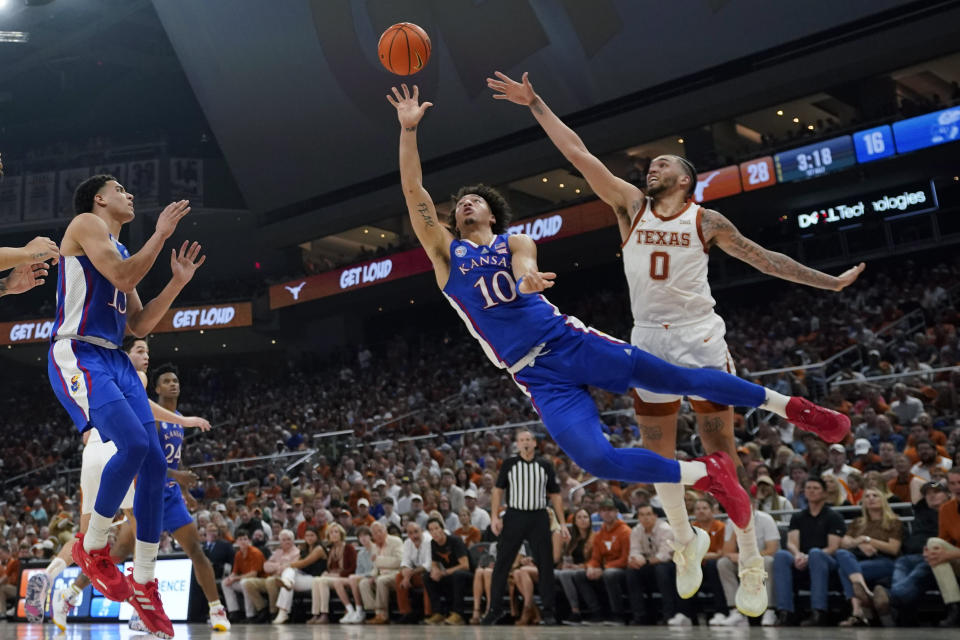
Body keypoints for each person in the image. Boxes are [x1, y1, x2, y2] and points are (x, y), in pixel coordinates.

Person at [387, 82, 848, 612]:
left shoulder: (514, 241)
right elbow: (413, 192)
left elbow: (524, 262)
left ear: (492, 214)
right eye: (458, 202)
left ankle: (793, 407)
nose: (464, 202)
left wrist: (531, 278)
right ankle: (706, 477)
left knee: (680, 379)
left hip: (570, 340)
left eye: (475, 200)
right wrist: (408, 131)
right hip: (534, 374)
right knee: (595, 457)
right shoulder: (444, 252)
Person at [45, 174, 202, 639]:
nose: (129, 194)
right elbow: (121, 275)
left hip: (113, 356)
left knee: (153, 462)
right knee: (133, 444)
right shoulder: (86, 224)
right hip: (78, 351)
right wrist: (159, 234)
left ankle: (146, 583)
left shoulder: (118, 247)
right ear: (99, 198)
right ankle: (90, 549)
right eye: (120, 190)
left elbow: (138, 323)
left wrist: (176, 283)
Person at [33, 337, 211, 631]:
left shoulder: (93, 371)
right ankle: (141, 598)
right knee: (136, 526)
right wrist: (186, 420)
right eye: (140, 350)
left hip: (92, 453)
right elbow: (147, 408)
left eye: (148, 351)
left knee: (89, 538)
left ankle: (54, 578)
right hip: (119, 450)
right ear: (124, 354)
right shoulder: (132, 375)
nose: (146, 357)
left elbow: (87, 423)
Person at [130, 363, 229, 631]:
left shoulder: (179, 419)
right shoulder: (151, 417)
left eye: (176, 380)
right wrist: (178, 477)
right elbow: (145, 460)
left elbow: (176, 457)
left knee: (196, 551)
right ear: (157, 388)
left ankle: (217, 610)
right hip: (147, 493)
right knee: (137, 557)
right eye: (167, 381)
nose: (174, 384)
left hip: (171, 495)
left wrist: (184, 490)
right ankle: (140, 612)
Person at [481, 428, 566, 625]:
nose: (526, 442)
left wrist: (562, 523)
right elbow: (497, 490)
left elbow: (555, 495)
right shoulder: (509, 464)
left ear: (535, 443)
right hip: (514, 515)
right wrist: (494, 516)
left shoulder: (545, 465)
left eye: (529, 439)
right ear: (517, 444)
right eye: (522, 440)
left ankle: (548, 611)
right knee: (503, 562)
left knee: (545, 564)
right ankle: (494, 609)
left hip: (538, 516)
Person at [772, 477, 847, 626]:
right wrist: (798, 555)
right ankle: (785, 612)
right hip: (804, 558)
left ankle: (818, 611)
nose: (811, 491)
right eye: (808, 488)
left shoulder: (834, 517)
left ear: (824, 493)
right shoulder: (798, 517)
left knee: (815, 553)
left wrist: (810, 556)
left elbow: (833, 547)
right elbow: (791, 543)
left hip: (826, 560)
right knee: (781, 555)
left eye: (816, 488)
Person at [834, 488, 903, 626]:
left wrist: (867, 539)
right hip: (859, 561)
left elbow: (893, 549)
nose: (871, 498)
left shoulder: (893, 521)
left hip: (885, 561)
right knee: (841, 554)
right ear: (863, 502)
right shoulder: (857, 522)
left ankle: (858, 610)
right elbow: (844, 543)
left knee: (844, 570)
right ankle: (863, 592)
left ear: (882, 500)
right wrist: (858, 544)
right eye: (867, 496)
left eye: (875, 495)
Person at [712, 507, 781, 627]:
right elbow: (727, 551)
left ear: (753, 506)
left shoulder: (766, 519)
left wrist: (747, 557)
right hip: (743, 562)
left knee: (769, 562)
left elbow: (772, 549)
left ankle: (769, 610)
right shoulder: (731, 522)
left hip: (761, 559)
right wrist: (736, 529)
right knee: (723, 563)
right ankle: (736, 611)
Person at [624, 504, 674, 625]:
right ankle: (640, 615)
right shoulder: (636, 530)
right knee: (631, 571)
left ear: (655, 516)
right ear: (638, 517)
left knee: (661, 570)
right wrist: (636, 560)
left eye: (648, 514)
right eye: (642, 515)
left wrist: (644, 561)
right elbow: (634, 551)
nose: (645, 518)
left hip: (669, 565)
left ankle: (669, 614)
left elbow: (665, 555)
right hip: (649, 564)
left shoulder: (665, 529)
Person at [243, 528, 300, 623]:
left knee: (270, 581)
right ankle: (262, 608)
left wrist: (276, 566)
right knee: (248, 583)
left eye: (289, 539)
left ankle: (273, 611)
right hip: (272, 577)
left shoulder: (297, 552)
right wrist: (280, 565)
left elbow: (291, 568)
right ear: (280, 542)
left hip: (283, 581)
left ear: (293, 540)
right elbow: (266, 566)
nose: (286, 542)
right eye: (284, 540)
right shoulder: (278, 552)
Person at [272, 526, 326, 624]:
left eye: (312, 535)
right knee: (288, 575)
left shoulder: (319, 549)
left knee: (288, 576)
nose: (309, 538)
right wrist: (287, 566)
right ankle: (287, 583)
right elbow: (297, 564)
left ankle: (283, 612)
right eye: (307, 536)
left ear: (317, 537)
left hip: (316, 580)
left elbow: (305, 562)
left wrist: (286, 565)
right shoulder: (304, 549)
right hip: (304, 577)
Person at [423, 517, 472, 625]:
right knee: (427, 577)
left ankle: (458, 614)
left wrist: (443, 573)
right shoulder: (433, 543)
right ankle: (438, 613)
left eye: (436, 528)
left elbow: (465, 565)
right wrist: (435, 571)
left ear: (442, 529)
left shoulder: (455, 541)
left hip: (467, 575)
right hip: (450, 574)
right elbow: (434, 563)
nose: (434, 532)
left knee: (457, 575)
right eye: (431, 530)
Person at [357, 521, 404, 625]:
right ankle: (375, 611)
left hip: (395, 573)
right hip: (381, 574)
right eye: (374, 532)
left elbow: (399, 561)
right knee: (364, 582)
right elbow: (375, 567)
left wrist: (379, 560)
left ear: (385, 531)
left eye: (380, 531)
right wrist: (372, 575)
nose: (378, 534)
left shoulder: (396, 541)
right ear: (372, 535)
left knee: (381, 581)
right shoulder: (374, 546)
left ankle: (383, 615)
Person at [309, 523, 357, 623]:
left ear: (341, 534)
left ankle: (324, 614)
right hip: (333, 577)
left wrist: (338, 574)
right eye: (331, 532)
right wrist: (327, 572)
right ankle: (315, 614)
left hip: (345, 577)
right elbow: (330, 568)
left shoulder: (349, 548)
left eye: (336, 532)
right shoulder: (331, 549)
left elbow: (353, 568)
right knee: (316, 580)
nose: (334, 534)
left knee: (322, 581)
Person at [221, 531, 266, 622]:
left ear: (249, 540)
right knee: (225, 583)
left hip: (258, 581)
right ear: (237, 542)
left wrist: (235, 578)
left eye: (245, 539)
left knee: (244, 583)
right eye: (240, 539)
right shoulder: (238, 554)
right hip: (243, 580)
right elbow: (235, 571)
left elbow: (254, 574)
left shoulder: (255, 553)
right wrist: (230, 578)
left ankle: (250, 615)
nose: (243, 542)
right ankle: (234, 612)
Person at [395, 521, 432, 623]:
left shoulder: (429, 541)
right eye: (410, 533)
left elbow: (428, 565)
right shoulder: (407, 542)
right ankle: (405, 612)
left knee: (426, 578)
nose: (414, 536)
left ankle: (428, 614)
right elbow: (405, 562)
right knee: (399, 577)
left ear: (422, 531)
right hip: (415, 573)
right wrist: (406, 576)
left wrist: (409, 574)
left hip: (429, 573)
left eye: (416, 532)